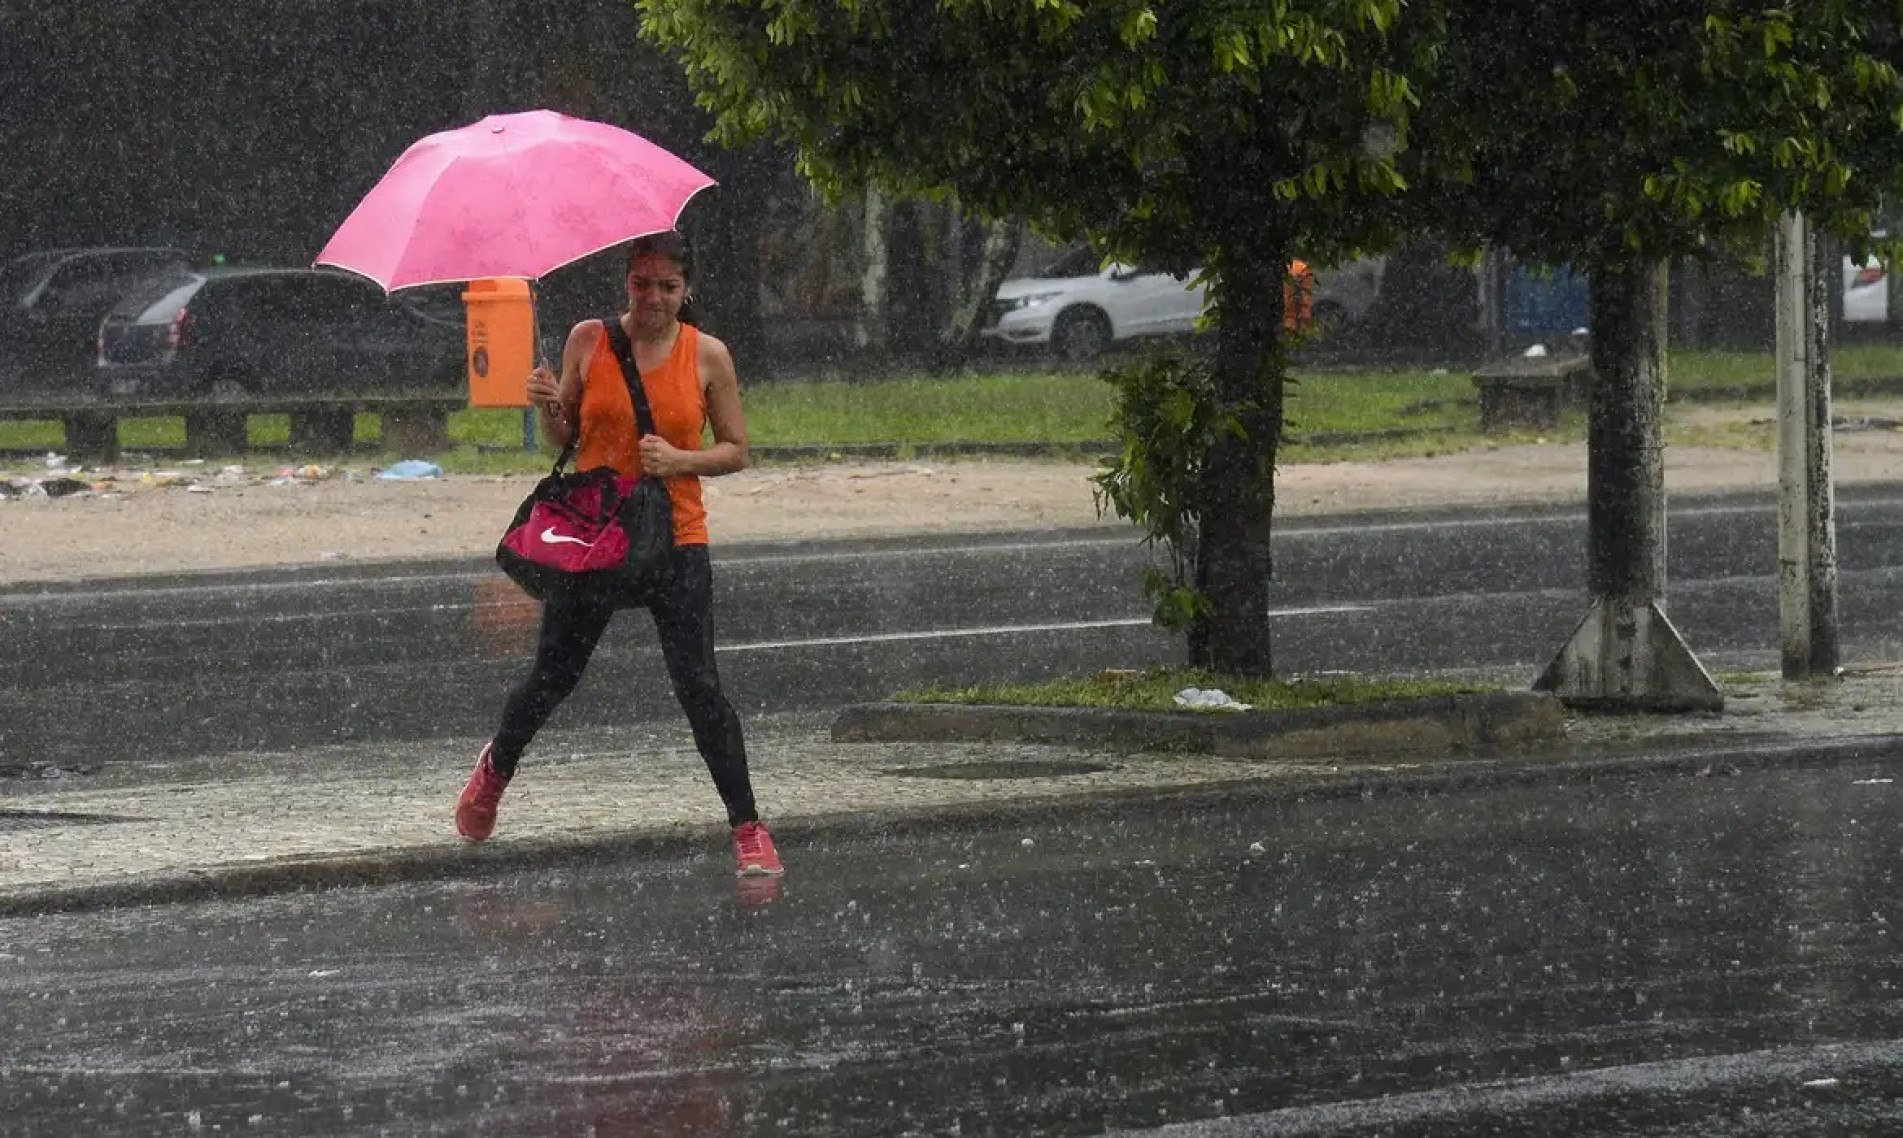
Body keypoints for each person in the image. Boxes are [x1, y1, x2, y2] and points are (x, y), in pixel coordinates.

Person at [455, 231, 783, 879]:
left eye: (667, 286)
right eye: (642, 284)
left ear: (687, 289)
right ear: (626, 284)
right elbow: (568, 436)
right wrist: (549, 408)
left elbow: (737, 449)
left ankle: (747, 827)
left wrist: (682, 459)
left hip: (675, 538)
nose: (654, 298)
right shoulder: (588, 340)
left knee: (699, 689)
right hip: (596, 537)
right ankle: (496, 768)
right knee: (555, 676)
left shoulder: (707, 355)